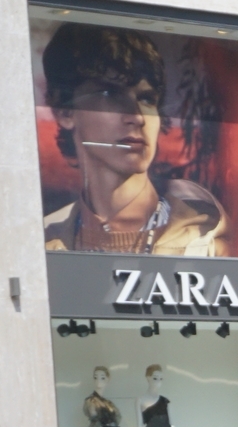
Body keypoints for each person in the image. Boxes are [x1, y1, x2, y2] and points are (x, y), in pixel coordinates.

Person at [40, 24, 227, 257]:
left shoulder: (207, 242)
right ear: (65, 111)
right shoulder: (44, 244)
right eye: (112, 95)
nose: (138, 116)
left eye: (147, 99)